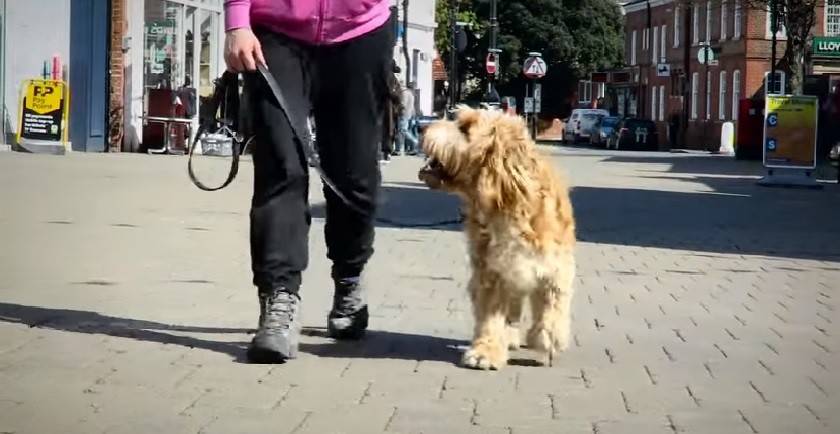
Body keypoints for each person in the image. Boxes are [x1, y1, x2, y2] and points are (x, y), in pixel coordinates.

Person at [223, 0, 395, 362]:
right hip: (276, 31)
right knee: (281, 166)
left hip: (360, 32)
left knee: (354, 174)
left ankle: (349, 276)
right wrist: (237, 20)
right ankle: (279, 299)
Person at [394, 82, 418, 155]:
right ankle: (398, 150)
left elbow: (402, 104)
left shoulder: (404, 93)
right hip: (408, 114)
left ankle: (414, 141)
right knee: (401, 131)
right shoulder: (410, 93)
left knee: (403, 130)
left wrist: (396, 109)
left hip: (403, 114)